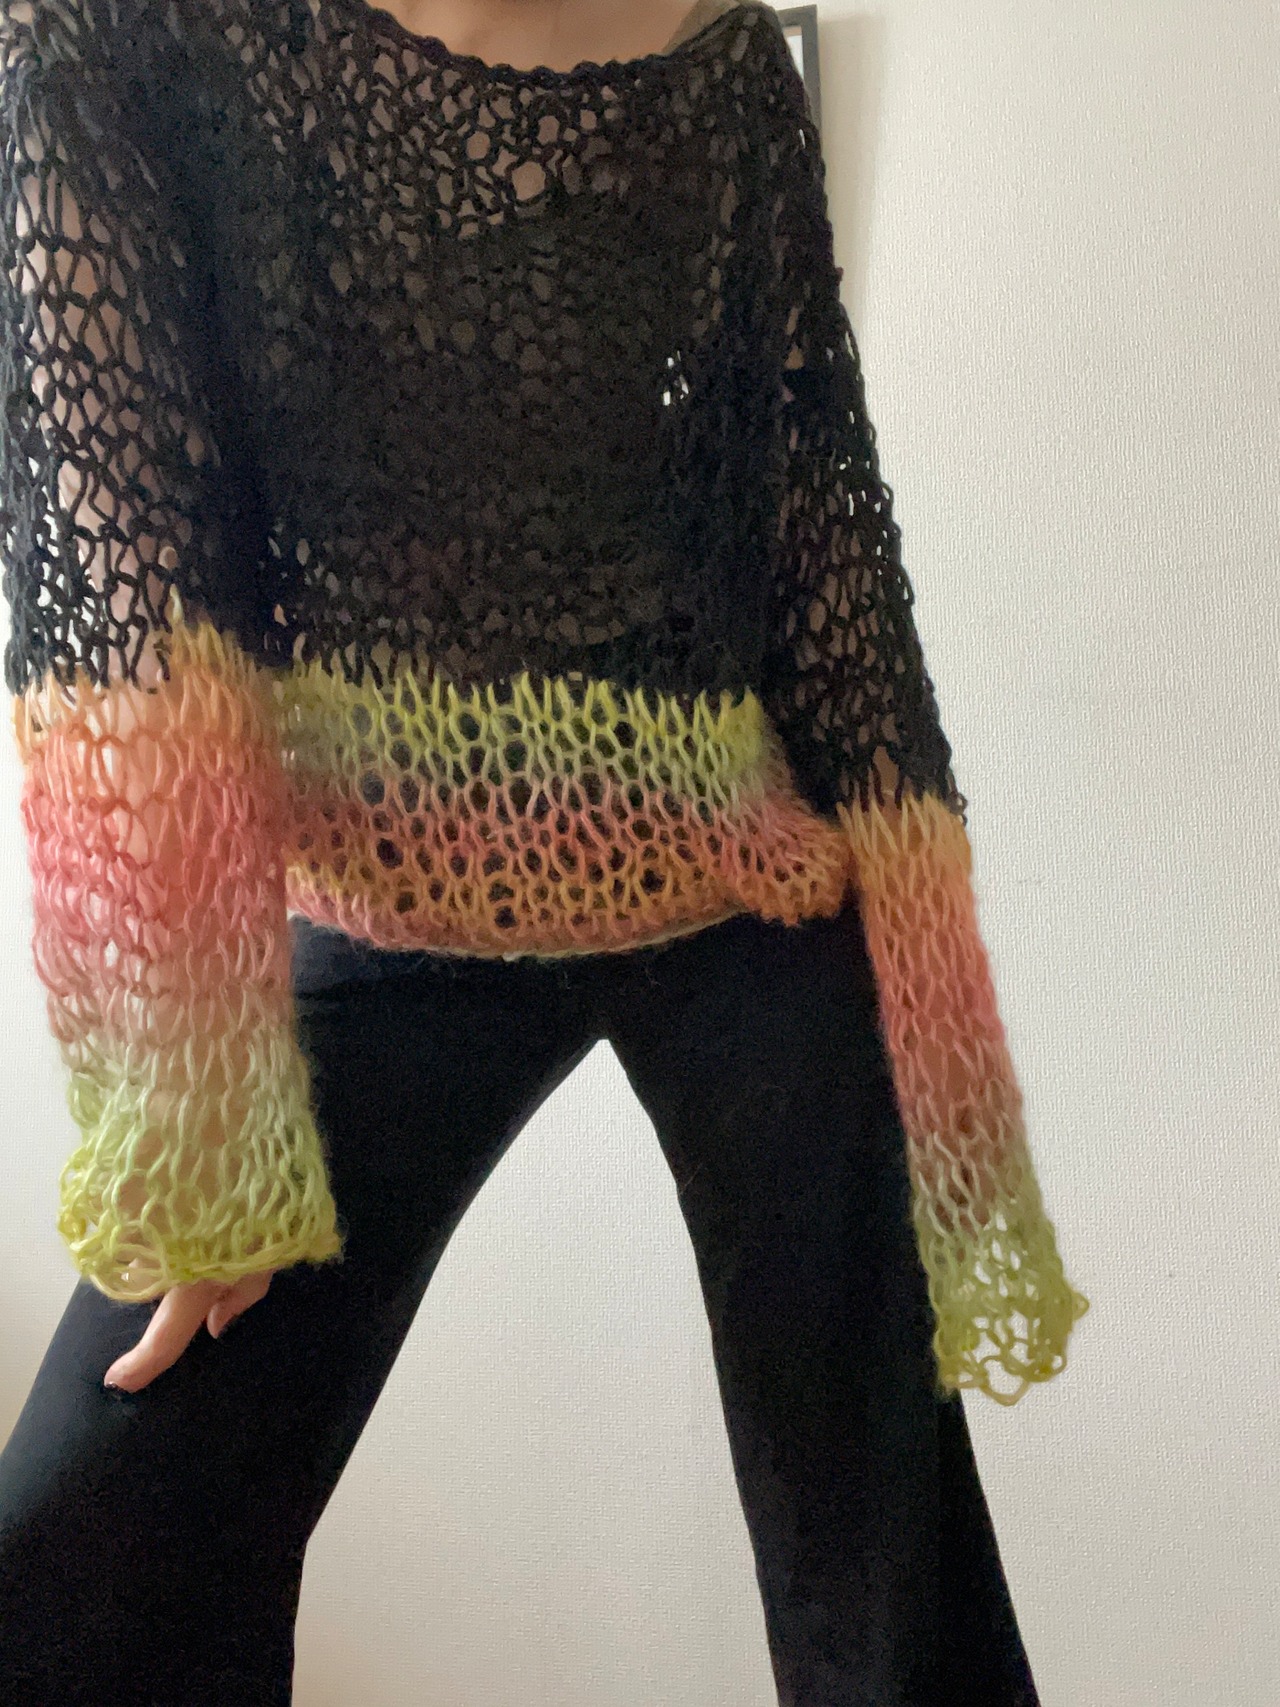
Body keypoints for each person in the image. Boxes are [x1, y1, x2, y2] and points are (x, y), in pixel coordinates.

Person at [0, 0, 1089, 1701]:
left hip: (739, 885)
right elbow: (128, 606)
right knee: (88, 1554)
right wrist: (196, 1122)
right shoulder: (126, 48)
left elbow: (818, 540)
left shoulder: (723, 64)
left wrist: (920, 977)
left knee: (892, 1578)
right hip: (373, 904)